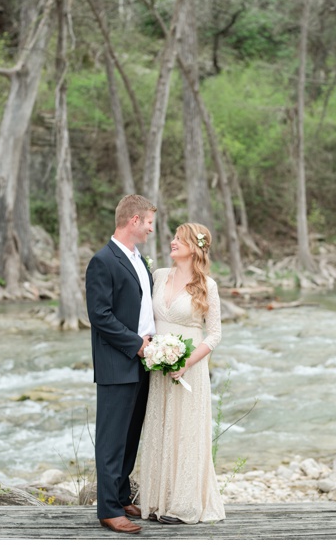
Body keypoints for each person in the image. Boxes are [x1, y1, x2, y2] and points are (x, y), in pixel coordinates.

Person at [134, 223, 226, 524]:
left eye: (179, 238)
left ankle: (183, 505)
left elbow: (213, 336)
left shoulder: (207, 286)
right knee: (160, 428)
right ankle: (158, 502)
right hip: (158, 366)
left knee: (186, 431)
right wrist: (151, 350)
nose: (172, 242)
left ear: (194, 247)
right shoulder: (159, 275)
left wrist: (186, 362)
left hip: (190, 368)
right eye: (173, 237)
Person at [85, 194, 157, 534]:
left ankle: (121, 494)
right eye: (148, 223)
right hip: (119, 362)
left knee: (130, 436)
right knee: (112, 439)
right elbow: (99, 316)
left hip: (144, 361)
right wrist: (136, 345)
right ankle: (108, 510)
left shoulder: (139, 259)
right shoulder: (104, 260)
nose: (151, 229)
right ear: (133, 221)